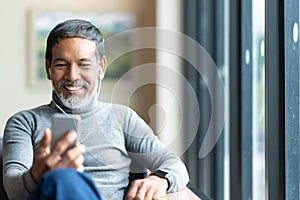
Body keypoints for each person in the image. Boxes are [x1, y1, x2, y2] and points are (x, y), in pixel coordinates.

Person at [2, 19, 189, 200]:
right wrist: (37, 174)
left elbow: (175, 165)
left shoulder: (123, 118)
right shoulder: (24, 122)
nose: (72, 76)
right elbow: (12, 190)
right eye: (61, 65)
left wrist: (159, 179)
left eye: (84, 64)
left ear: (101, 68)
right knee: (61, 178)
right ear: (48, 68)